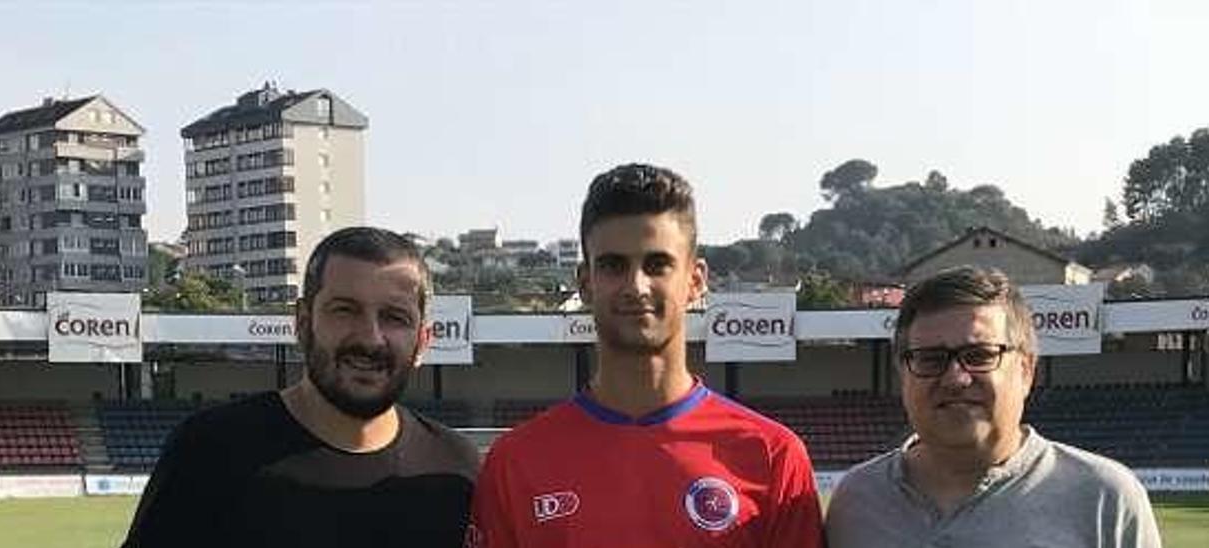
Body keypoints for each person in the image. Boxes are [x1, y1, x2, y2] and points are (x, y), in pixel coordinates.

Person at [467, 163, 825, 547]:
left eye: (657, 265)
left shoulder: (772, 457)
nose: (636, 286)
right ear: (585, 283)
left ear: (695, 280)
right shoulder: (515, 463)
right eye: (613, 266)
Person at [123, 227, 479, 548]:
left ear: (422, 341)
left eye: (394, 318)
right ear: (303, 323)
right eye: (345, 310)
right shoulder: (210, 451)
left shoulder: (457, 468)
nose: (371, 338)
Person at [825, 266, 1161, 547]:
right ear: (903, 374)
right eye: (930, 359)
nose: (956, 378)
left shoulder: (1105, 499)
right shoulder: (856, 502)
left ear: (1026, 371)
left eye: (980, 356)